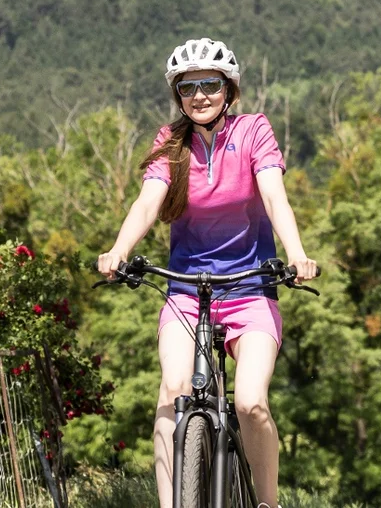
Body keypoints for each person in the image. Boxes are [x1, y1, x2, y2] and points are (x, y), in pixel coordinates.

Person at [97, 37, 317, 508]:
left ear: (229, 90)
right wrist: (118, 250)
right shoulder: (170, 143)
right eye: (188, 87)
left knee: (250, 402)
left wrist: (297, 255)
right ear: (177, 95)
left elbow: (275, 196)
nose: (199, 95)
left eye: (210, 85)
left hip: (250, 288)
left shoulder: (254, 130)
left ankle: (267, 504)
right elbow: (148, 201)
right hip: (187, 293)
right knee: (173, 392)